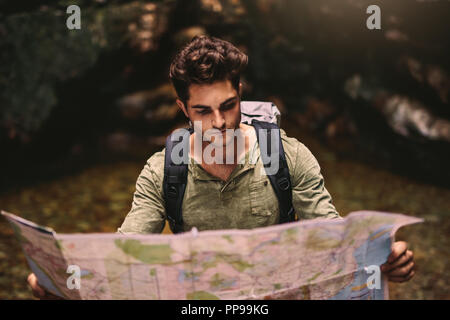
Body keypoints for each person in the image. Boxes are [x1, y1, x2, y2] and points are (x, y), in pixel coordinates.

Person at [27, 35, 415, 299]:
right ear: (182, 110)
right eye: (202, 111)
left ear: (240, 94)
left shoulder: (287, 156)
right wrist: (61, 279)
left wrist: (384, 258)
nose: (219, 122)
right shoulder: (164, 171)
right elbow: (124, 252)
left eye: (228, 105)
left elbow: (334, 239)